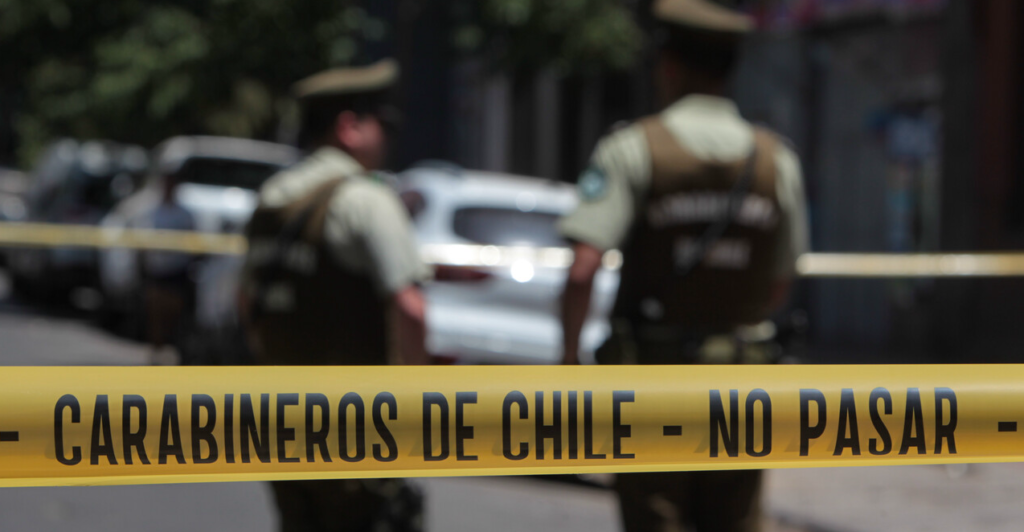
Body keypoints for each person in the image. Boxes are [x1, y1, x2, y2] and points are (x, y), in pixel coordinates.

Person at [558, 1, 809, 531]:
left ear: (668, 66)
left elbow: (583, 270)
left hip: (653, 387)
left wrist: (569, 361)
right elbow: (780, 285)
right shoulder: (776, 160)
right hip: (742, 386)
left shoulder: (632, 149)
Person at [239, 58, 429, 532]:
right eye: (382, 124)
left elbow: (247, 303)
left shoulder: (271, 199)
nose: (387, 137)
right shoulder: (365, 199)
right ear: (349, 127)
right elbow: (410, 307)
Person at [140, 174, 196, 365]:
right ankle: (156, 353)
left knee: (174, 316)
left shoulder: (184, 214)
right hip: (157, 272)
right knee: (155, 315)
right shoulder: (151, 212)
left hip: (177, 273)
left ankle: (172, 352)